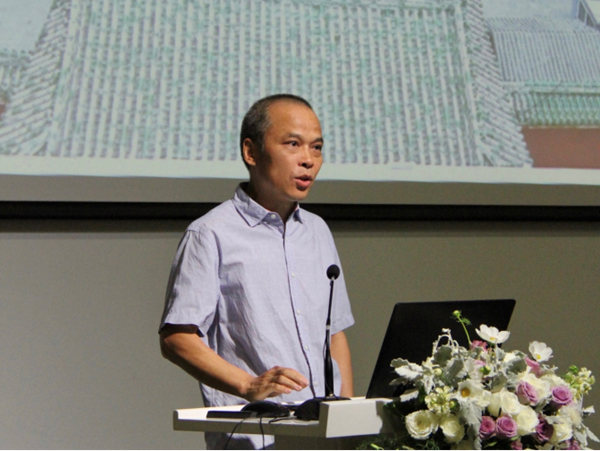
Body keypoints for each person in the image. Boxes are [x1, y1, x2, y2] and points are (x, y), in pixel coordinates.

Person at [159, 94, 354, 449]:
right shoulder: (210, 234)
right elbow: (177, 338)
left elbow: (335, 334)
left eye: (317, 147)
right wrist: (248, 385)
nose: (308, 160)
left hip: (322, 439)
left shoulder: (317, 231)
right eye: (293, 144)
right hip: (255, 437)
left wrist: (348, 422)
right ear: (251, 152)